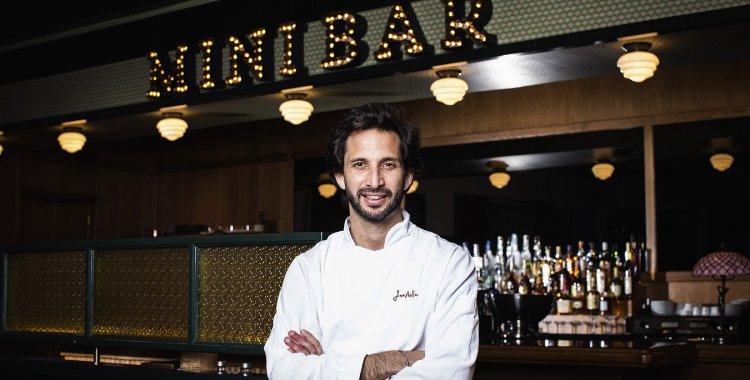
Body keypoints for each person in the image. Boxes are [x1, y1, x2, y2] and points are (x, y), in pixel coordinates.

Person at [264, 103, 478, 379]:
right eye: (360, 164)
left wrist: (329, 365)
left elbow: (452, 372)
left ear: (407, 177)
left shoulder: (449, 263)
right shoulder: (309, 268)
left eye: (388, 164)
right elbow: (283, 370)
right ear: (340, 176)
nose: (374, 181)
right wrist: (380, 364)